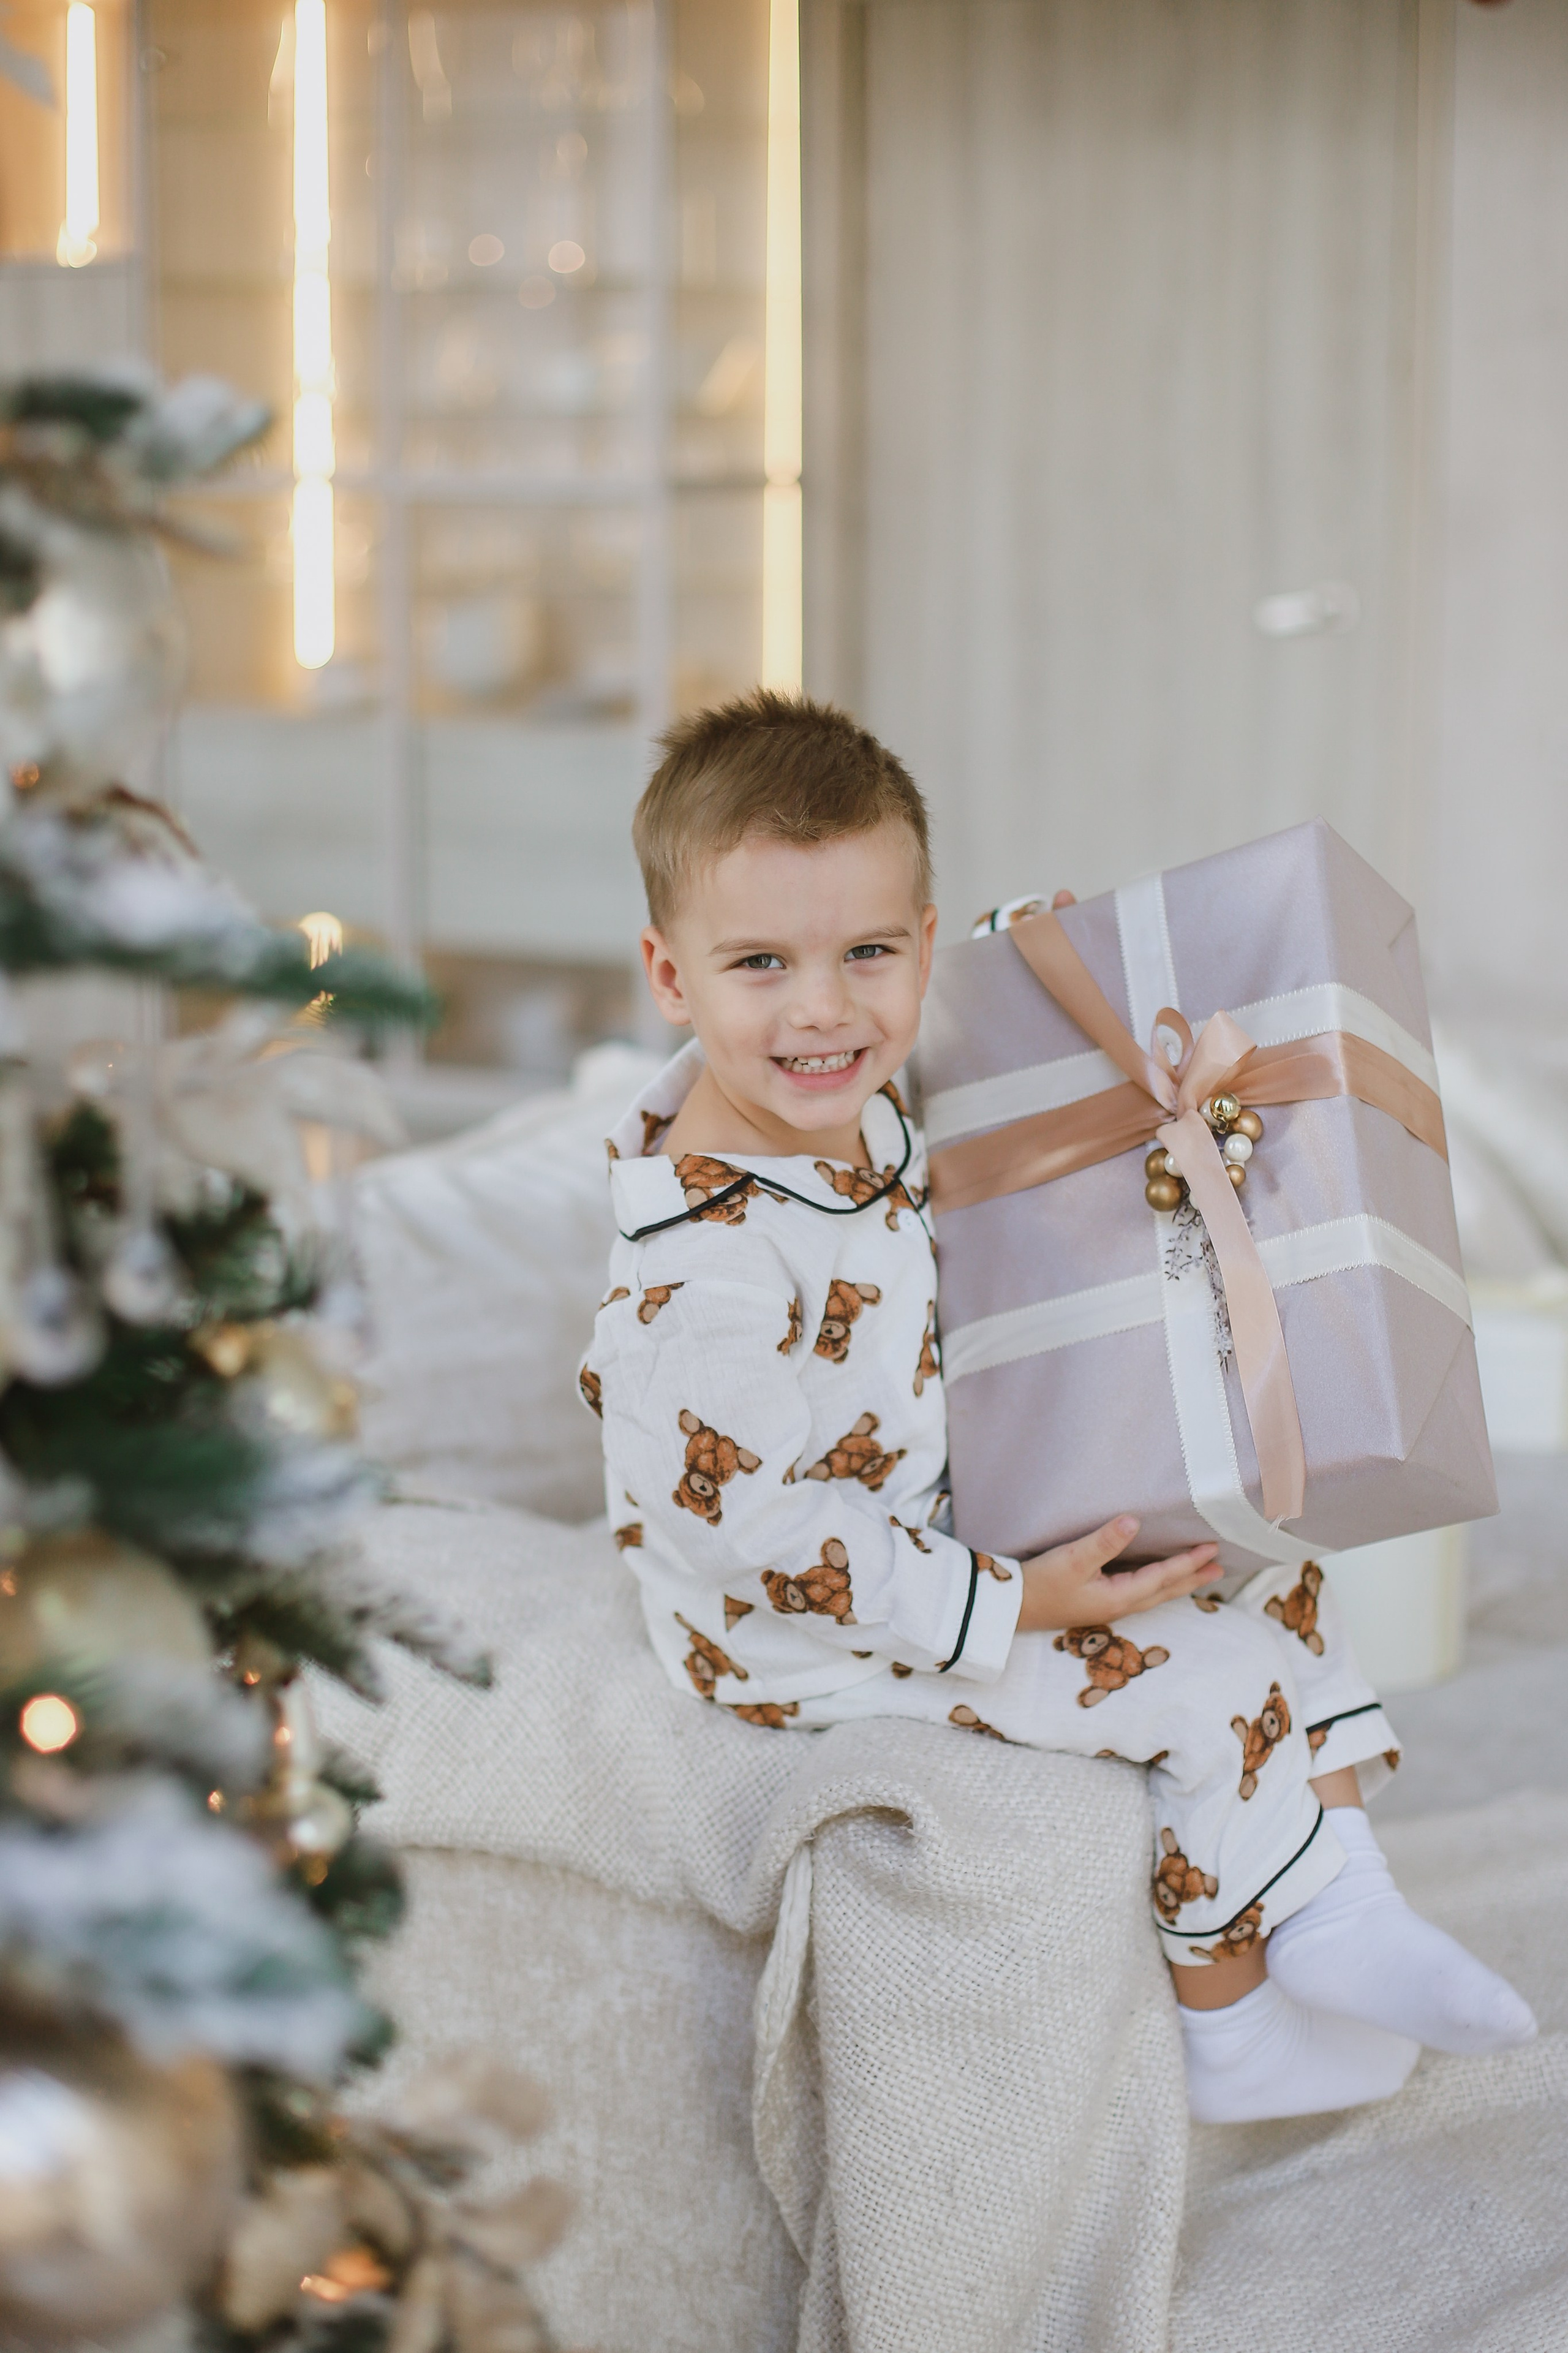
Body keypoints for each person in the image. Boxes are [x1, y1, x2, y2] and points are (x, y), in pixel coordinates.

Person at [579, 688, 1536, 2123]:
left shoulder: (840, 1098)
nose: (823, 1008)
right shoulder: (691, 1289)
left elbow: (965, 1026)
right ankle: (1227, 2019)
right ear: (669, 974)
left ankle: (1340, 1894)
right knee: (1201, 1684)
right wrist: (1009, 1604)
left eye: (869, 953)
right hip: (808, 1632)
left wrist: (1048, 967)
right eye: (760, 963)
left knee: (1263, 1572)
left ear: (919, 942)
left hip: (933, 1507)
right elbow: (766, 1546)